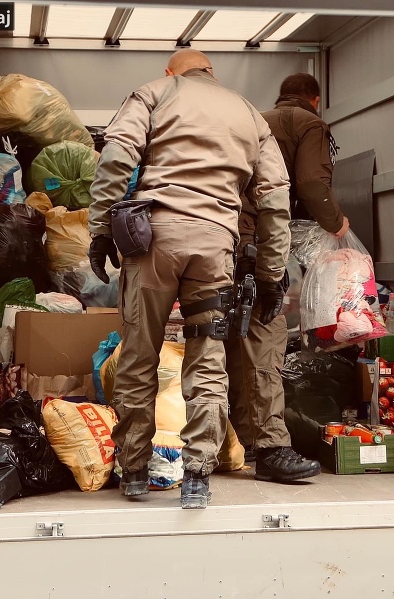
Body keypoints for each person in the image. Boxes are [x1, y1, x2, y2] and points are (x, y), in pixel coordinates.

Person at [87, 49, 292, 509]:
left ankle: (135, 470)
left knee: (140, 353)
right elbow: (276, 196)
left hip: (153, 242)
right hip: (215, 245)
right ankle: (197, 475)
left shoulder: (154, 93)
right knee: (208, 357)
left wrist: (101, 228)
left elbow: (117, 157)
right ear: (211, 73)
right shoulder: (248, 113)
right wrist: (271, 272)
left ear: (170, 71)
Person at [226, 73, 350, 482]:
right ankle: (270, 449)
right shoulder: (309, 123)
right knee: (266, 332)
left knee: (228, 339)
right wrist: (335, 222)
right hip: (259, 238)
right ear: (316, 98)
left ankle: (234, 441)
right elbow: (313, 185)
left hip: (220, 238)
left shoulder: (250, 119)